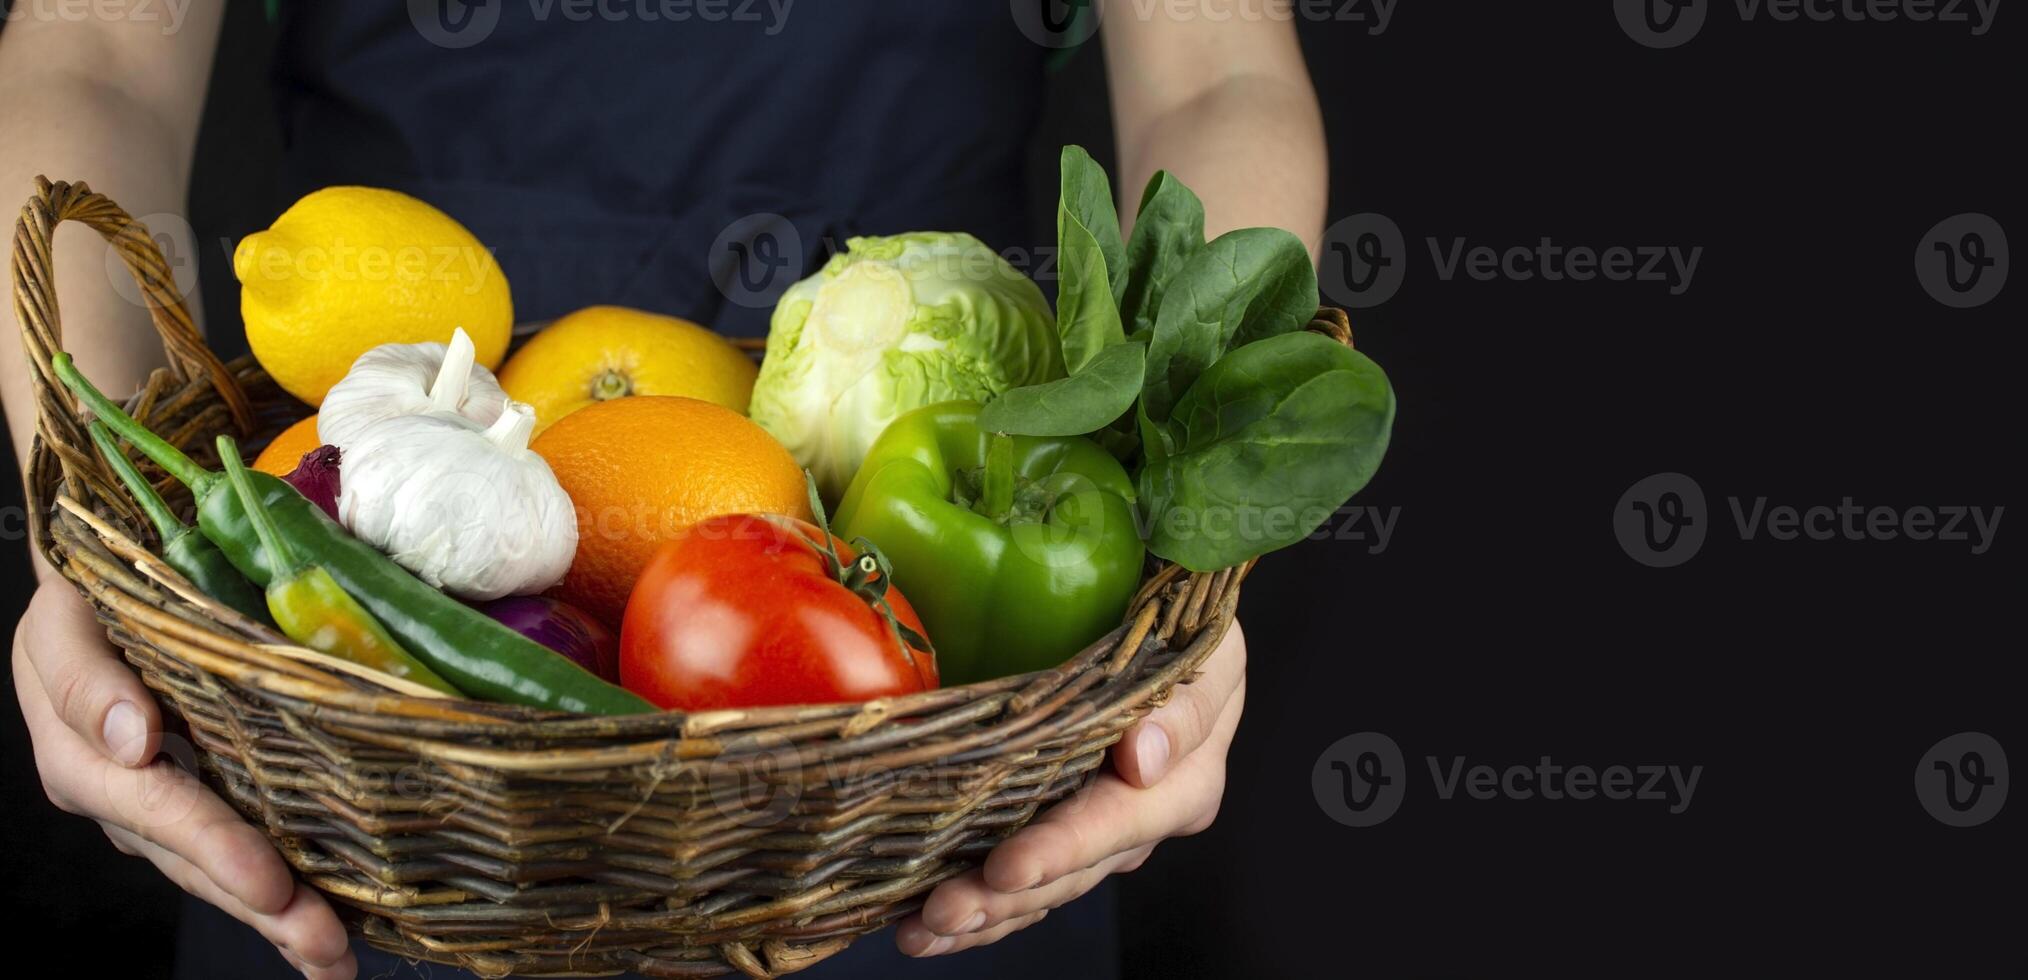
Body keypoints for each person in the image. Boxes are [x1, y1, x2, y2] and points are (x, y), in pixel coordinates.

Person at [1, 3, 1322, 977]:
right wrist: (91, 531)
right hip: (353, 760)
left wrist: (1179, 570)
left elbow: (1217, 72)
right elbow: (93, 52)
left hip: (943, 775)